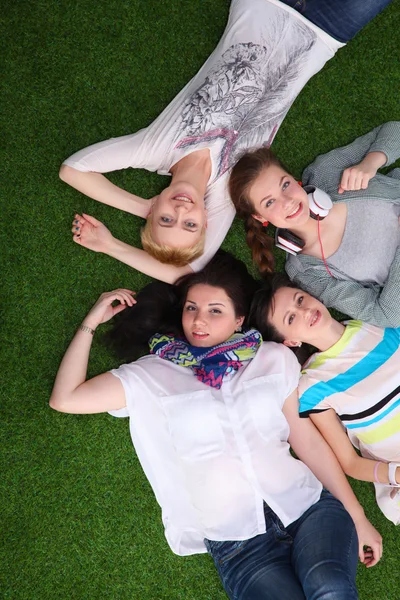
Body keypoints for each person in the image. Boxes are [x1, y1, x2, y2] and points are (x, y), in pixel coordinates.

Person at [49, 253, 382, 600]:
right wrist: (92, 321)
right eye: (191, 308)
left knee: (327, 587)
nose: (199, 320)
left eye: (215, 310)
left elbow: (308, 444)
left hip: (308, 508)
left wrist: (357, 516)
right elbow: (66, 398)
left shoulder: (272, 359)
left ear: (239, 319)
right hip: (240, 546)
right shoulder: (151, 375)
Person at [61, 0, 392, 283]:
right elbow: (188, 272)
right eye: (190, 224)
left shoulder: (152, 148)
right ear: (206, 222)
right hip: (325, 34)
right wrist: (112, 245)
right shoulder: (226, 192)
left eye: (166, 219)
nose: (180, 210)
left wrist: (143, 207)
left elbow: (73, 170)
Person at [248, 273, 400, 525]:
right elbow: (349, 462)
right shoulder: (311, 387)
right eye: (291, 318)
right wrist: (394, 474)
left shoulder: (378, 323)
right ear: (290, 341)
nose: (305, 310)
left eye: (299, 300)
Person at [230, 121, 400, 327]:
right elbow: (386, 315)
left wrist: (370, 163)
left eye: (285, 184)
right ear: (260, 217)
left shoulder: (325, 173)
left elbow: (394, 129)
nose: (288, 201)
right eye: (269, 202)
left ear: (294, 179)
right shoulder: (306, 271)